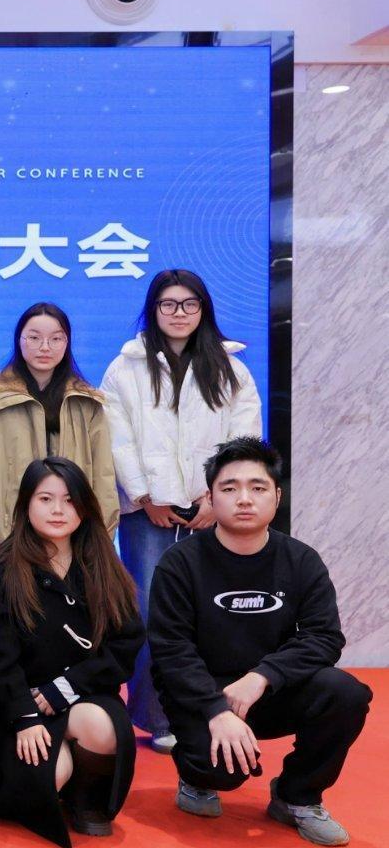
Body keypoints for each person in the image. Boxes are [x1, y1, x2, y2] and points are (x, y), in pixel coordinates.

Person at [149, 438, 371, 847]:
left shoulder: (301, 560)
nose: (244, 499)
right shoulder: (180, 564)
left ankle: (296, 796)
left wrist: (263, 676)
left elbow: (324, 637)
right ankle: (196, 779)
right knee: (224, 770)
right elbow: (171, 651)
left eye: (258, 487)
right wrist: (216, 709)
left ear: (277, 496)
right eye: (229, 488)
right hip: (204, 694)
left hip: (269, 688)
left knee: (346, 693)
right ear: (210, 497)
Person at [101, 270, 263, 755]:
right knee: (151, 612)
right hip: (149, 514)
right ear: (153, 310)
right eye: (168, 304)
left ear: (203, 310)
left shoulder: (231, 368)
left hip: (212, 512)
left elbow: (244, 438)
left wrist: (218, 498)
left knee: (210, 612)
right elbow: (116, 438)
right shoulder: (126, 367)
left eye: (189, 304)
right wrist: (144, 497)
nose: (178, 313)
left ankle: (209, 708)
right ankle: (155, 717)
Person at [0, 458, 144, 848]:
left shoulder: (103, 564)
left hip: (83, 695)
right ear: (26, 505)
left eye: (69, 500)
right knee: (50, 775)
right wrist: (25, 716)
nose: (58, 510)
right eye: (45, 499)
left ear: (84, 507)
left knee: (102, 727)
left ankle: (87, 801)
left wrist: (67, 687)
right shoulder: (2, 568)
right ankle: (5, 781)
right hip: (21, 706)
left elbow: (125, 644)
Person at [0, 302, 118, 564]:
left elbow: (103, 475)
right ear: (19, 341)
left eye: (56, 339)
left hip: (75, 539)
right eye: (34, 338)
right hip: (10, 537)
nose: (45, 347)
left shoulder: (87, 404)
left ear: (67, 344)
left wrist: (103, 534)